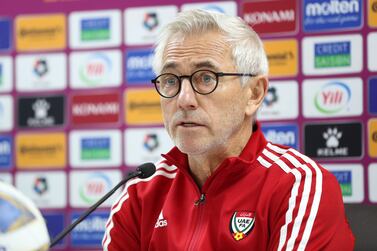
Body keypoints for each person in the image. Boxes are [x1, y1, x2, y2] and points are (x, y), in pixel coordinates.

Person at [103, 9, 354, 250]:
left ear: (254, 94)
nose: (184, 99)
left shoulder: (298, 185)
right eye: (171, 80)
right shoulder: (141, 192)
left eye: (206, 78)